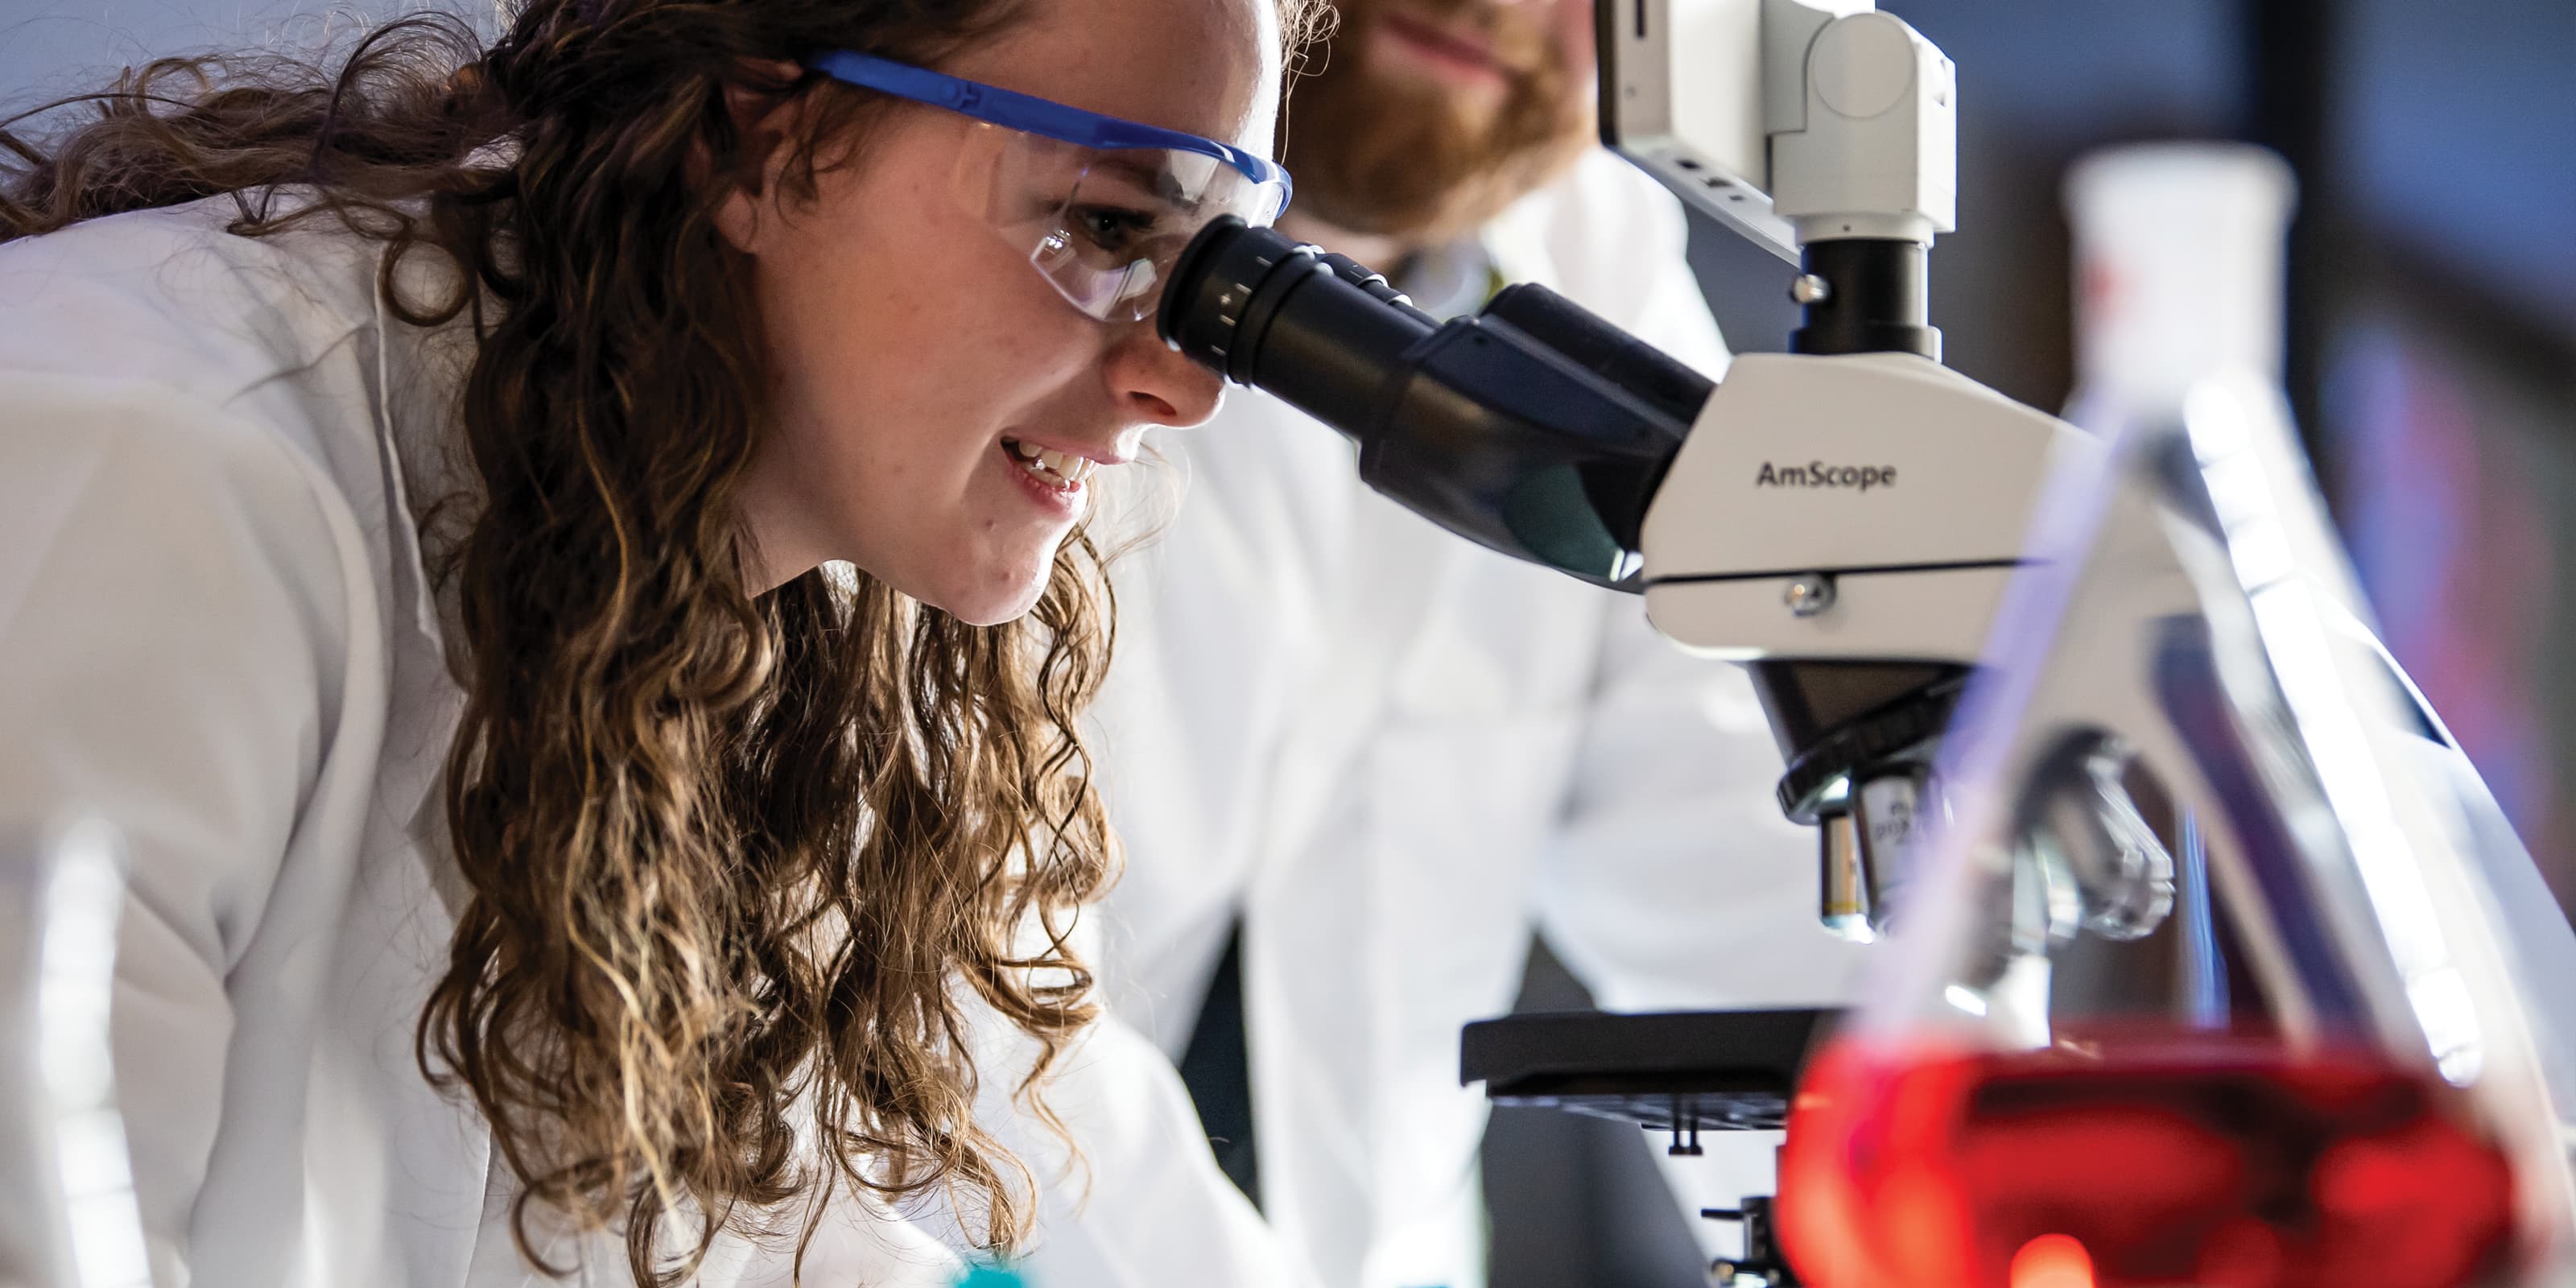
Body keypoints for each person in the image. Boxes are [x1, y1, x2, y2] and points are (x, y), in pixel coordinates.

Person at [0, 0, 1323, 1282]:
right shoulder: (157, 465)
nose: (1185, 384)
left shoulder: (784, 616)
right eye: (1104, 223)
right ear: (757, 145)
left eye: (1214, 261)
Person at [1062, 0, 1875, 1283]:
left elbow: (1744, 889)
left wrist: (1948, 1155)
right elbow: (941, 1007)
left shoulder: (1597, 264)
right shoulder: (1025, 225)